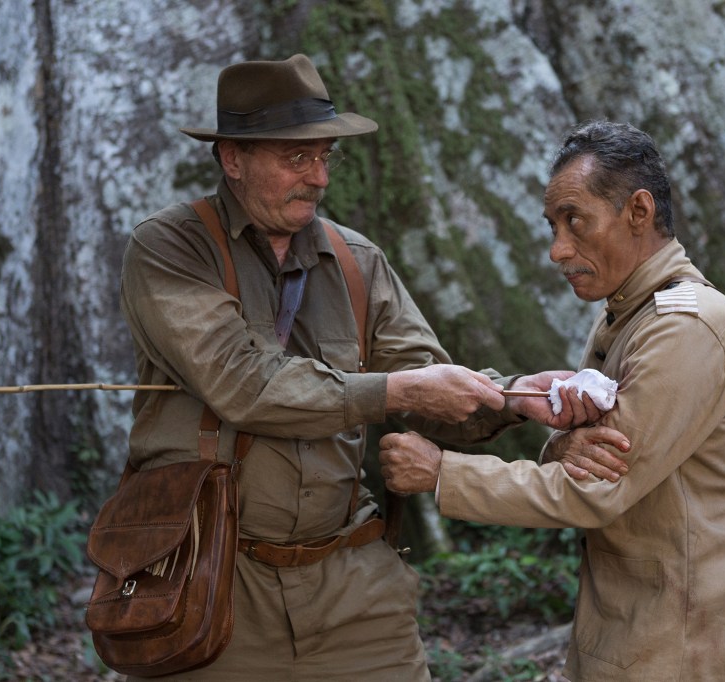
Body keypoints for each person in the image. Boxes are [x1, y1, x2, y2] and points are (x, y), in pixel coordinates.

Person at [118, 54, 603, 681]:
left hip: (353, 587)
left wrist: (509, 399)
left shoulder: (355, 260)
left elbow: (422, 382)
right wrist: (400, 389)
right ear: (232, 158)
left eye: (325, 156)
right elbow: (242, 384)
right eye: (296, 157)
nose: (318, 177)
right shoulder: (170, 248)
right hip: (212, 579)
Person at [380, 121, 725, 680]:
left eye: (576, 220)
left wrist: (442, 473)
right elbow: (584, 458)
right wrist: (561, 443)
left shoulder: (686, 328)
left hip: (680, 646)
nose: (558, 249)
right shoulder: (627, 313)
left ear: (638, 211)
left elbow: (596, 489)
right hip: (632, 630)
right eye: (553, 225)